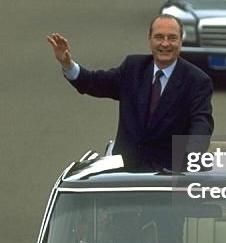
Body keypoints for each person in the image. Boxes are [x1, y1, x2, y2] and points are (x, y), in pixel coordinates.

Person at [46, 14, 214, 172]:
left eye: (172, 38)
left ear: (180, 41)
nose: (165, 44)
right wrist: (68, 65)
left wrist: (192, 157)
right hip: (126, 172)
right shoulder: (133, 68)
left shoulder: (197, 81)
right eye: (159, 37)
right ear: (149, 40)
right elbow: (96, 82)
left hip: (168, 176)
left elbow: (201, 124)